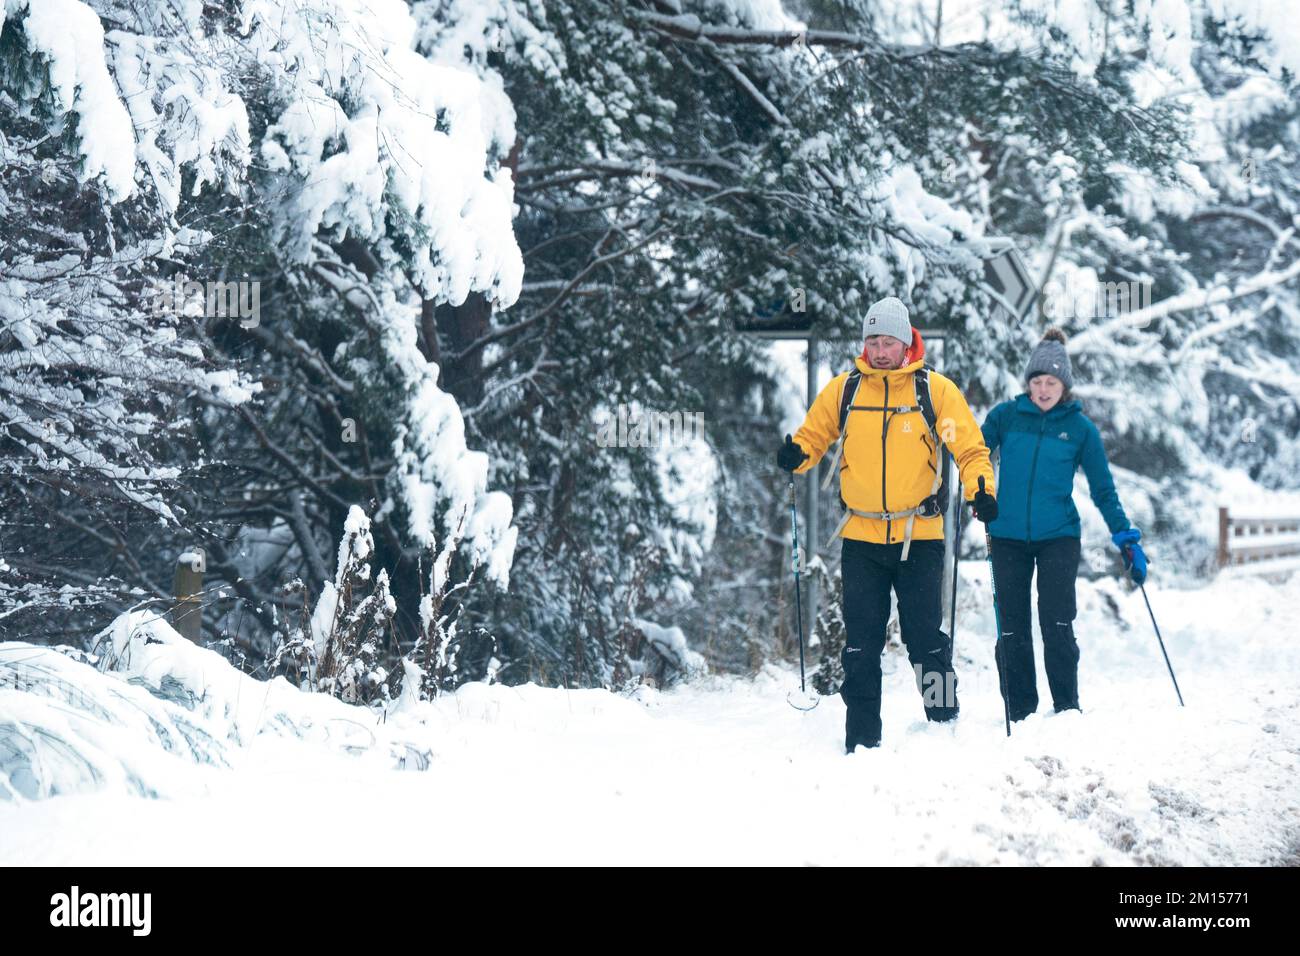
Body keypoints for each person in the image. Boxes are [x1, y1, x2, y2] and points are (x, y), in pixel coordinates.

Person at [776, 296, 997, 753]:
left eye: (887, 341)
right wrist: (797, 453)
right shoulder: (846, 390)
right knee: (861, 645)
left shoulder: (935, 392)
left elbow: (970, 450)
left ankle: (944, 722)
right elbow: (814, 435)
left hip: (921, 537)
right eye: (872, 340)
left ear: (906, 342)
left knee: (924, 640)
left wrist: (981, 490)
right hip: (861, 537)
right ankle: (861, 740)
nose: (878, 350)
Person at [979, 327, 1149, 721]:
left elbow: (1104, 490)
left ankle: (1067, 708)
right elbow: (973, 454)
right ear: (1028, 383)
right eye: (1036, 380)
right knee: (1011, 628)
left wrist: (1126, 537)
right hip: (1005, 536)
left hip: (1058, 537)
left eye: (1050, 381)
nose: (1042, 389)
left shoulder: (1081, 430)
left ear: (1064, 385)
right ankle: (1019, 710)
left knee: (1056, 622)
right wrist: (978, 491)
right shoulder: (1005, 417)